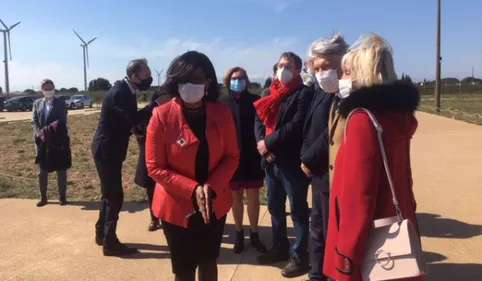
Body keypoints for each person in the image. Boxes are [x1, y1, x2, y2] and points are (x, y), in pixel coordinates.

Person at [323, 33, 423, 281]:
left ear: (361, 75)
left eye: (347, 72)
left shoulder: (362, 119)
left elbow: (358, 199)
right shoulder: (396, 117)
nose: (342, 78)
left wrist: (346, 258)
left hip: (368, 243)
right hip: (396, 229)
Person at [146, 51, 239, 281]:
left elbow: (231, 158)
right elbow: (155, 166)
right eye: (186, 79)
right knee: (184, 269)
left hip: (214, 202)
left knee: (209, 262)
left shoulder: (222, 113)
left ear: (208, 82)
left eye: (198, 79)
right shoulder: (161, 115)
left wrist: (211, 187)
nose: (192, 84)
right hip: (176, 205)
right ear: (175, 81)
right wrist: (192, 189)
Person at [254, 52, 314, 278]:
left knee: (298, 211)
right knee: (274, 207)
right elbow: (259, 119)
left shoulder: (303, 94)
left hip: (291, 163)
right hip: (271, 162)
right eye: (280, 65)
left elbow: (297, 126)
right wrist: (264, 146)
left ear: (298, 70)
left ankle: (300, 256)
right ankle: (279, 248)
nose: (283, 70)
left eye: (288, 66)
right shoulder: (269, 93)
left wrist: (268, 144)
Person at [91, 58, 154, 256]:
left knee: (108, 194)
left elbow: (124, 122)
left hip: (109, 148)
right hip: (107, 149)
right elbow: (130, 118)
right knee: (115, 196)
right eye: (146, 74)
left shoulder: (127, 90)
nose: (149, 78)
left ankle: (102, 234)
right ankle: (110, 242)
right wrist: (154, 106)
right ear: (134, 76)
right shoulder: (120, 92)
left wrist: (134, 129)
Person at [300, 33, 348, 281]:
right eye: (317, 68)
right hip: (319, 174)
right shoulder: (322, 89)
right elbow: (311, 127)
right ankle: (316, 274)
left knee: (332, 234)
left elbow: (329, 135)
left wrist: (307, 158)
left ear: (344, 61)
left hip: (332, 172)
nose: (321, 73)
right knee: (317, 230)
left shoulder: (347, 94)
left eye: (327, 66)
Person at [219, 67, 267, 254]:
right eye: (233, 78)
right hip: (231, 158)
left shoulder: (257, 101)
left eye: (240, 78)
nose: (237, 81)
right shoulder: (222, 103)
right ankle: (239, 233)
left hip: (252, 156)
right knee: (235, 197)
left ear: (247, 80)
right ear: (227, 81)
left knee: (253, 196)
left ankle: (254, 233)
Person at [133, 87, 172, 231]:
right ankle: (154, 218)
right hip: (152, 157)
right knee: (152, 189)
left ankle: (169, 217)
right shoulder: (148, 112)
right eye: (165, 97)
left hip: (171, 157)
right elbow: (138, 129)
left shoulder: (175, 111)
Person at [31, 79, 70, 207]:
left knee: (61, 169)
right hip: (41, 141)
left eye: (50, 88)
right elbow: (34, 121)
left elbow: (62, 120)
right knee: (42, 170)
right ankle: (43, 197)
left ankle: (62, 197)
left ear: (54, 88)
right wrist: (39, 133)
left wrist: (48, 133)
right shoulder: (37, 103)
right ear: (42, 90)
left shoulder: (60, 103)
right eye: (45, 89)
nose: (48, 91)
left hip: (56, 140)